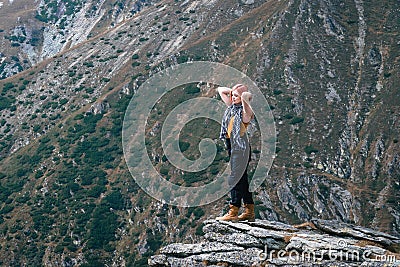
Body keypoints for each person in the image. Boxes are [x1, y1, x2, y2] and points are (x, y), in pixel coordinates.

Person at [216, 84, 255, 222]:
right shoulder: (232, 107)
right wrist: (235, 91)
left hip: (241, 148)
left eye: (235, 96)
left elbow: (246, 106)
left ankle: (234, 210)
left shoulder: (245, 112)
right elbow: (220, 90)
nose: (232, 97)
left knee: (234, 178)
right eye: (232, 95)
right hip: (232, 146)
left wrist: (244, 96)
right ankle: (249, 209)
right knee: (242, 179)